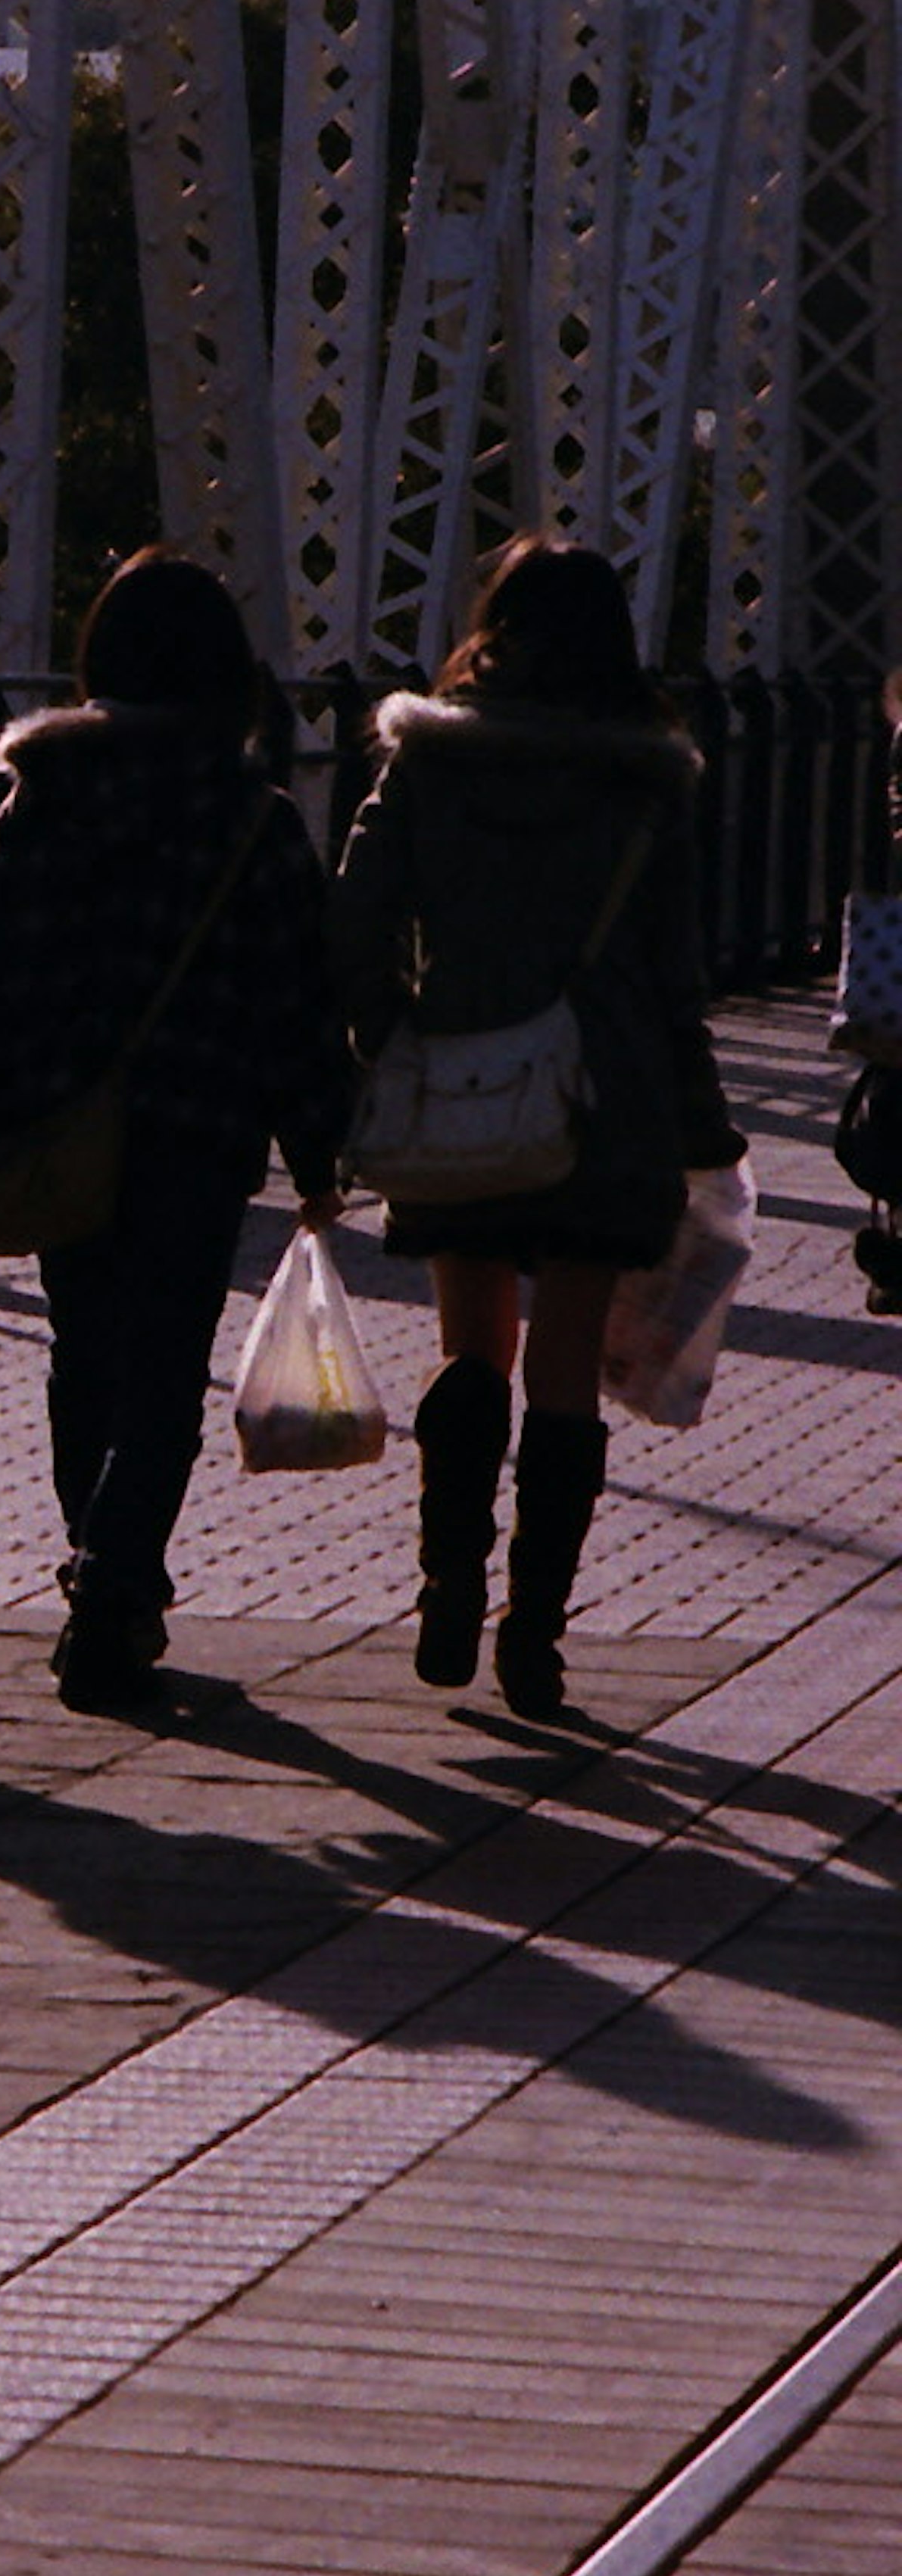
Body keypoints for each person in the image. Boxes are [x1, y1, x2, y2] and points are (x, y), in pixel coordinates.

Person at [0, 547, 353, 1716]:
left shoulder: (46, 801)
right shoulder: (255, 820)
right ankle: (116, 1579)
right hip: (200, 1122)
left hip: (57, 1118)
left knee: (83, 1349)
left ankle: (98, 1560)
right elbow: (297, 996)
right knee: (169, 1361)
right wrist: (321, 1145)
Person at [329, 532, 743, 1721]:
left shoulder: (427, 761)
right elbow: (676, 982)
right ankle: (537, 1634)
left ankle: (447, 1580)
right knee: (564, 1360)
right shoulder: (645, 783)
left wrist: (388, 1034)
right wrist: (703, 1129)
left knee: (472, 1348)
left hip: (463, 1073)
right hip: (606, 1098)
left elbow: (356, 915)